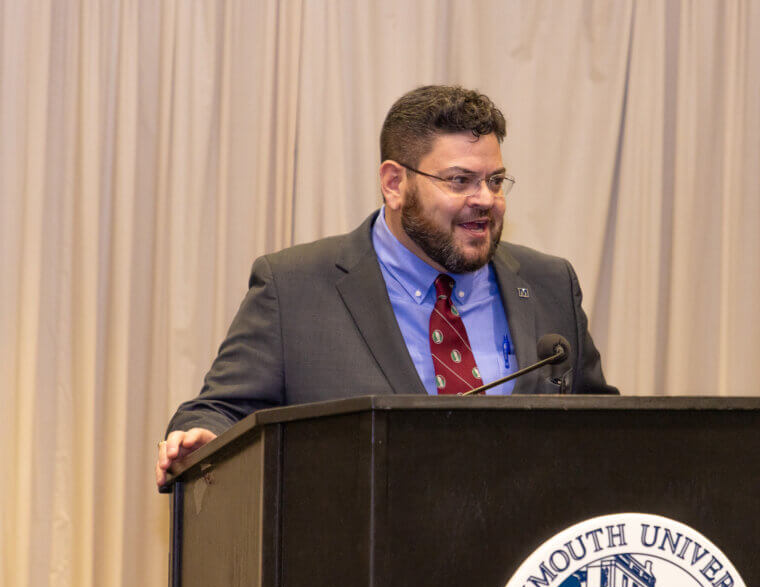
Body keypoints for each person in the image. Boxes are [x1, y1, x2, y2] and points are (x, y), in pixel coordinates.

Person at [156, 85, 616, 487]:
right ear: (394, 183)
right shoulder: (294, 289)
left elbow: (612, 431)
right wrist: (205, 438)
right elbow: (218, 411)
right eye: (460, 181)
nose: (485, 201)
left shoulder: (549, 283)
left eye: (494, 181)